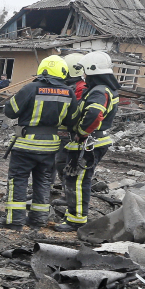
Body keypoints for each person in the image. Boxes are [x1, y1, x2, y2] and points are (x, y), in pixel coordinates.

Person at [0, 55, 74, 230]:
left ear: (43, 70)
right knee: (44, 182)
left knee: (18, 181)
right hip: (51, 147)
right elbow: (72, 120)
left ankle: (14, 220)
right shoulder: (69, 92)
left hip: (25, 145)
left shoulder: (31, 88)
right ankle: (38, 220)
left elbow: (11, 111)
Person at [57, 51, 119, 233]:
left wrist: (81, 133)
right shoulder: (104, 89)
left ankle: (76, 220)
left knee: (77, 180)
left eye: (85, 71)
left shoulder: (99, 91)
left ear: (93, 70)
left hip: (89, 143)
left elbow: (93, 114)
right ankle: (74, 215)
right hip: (93, 141)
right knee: (74, 178)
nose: (83, 75)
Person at [53, 52, 89, 196]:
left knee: (64, 162)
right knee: (59, 162)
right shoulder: (71, 86)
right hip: (63, 131)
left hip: (72, 133)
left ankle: (68, 193)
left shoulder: (80, 87)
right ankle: (65, 190)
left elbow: (76, 110)